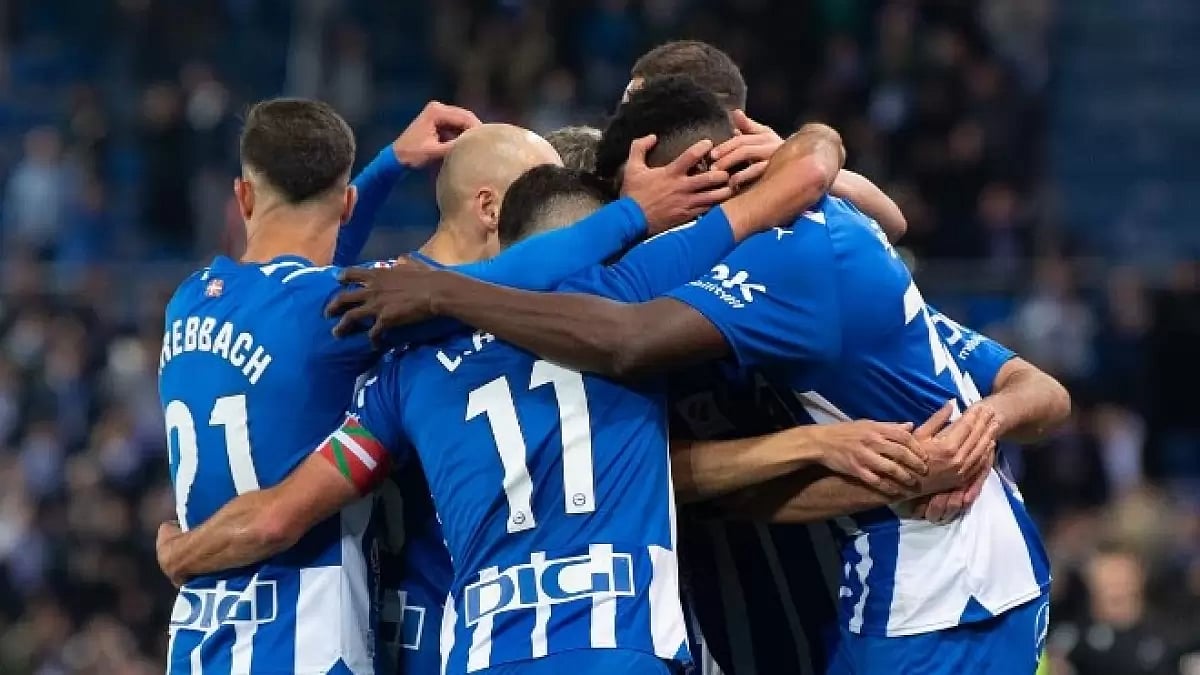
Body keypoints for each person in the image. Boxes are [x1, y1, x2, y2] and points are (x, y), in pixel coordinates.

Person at [326, 76, 1070, 675]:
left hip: (942, 581)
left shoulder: (779, 259)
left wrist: (444, 292)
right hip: (856, 579)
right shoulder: (805, 241)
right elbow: (685, 478)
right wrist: (814, 449)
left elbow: (624, 340)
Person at [153, 121, 858, 675]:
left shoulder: (398, 362)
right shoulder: (626, 298)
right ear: (496, 209)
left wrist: (185, 552)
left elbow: (280, 509)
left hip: (468, 648)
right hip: (619, 643)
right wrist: (642, 212)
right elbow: (799, 183)